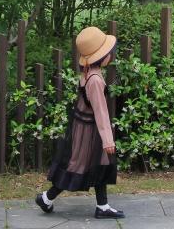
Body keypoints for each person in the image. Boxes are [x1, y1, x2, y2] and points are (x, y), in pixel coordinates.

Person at [35, 26, 125, 219]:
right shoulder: (94, 80)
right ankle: (47, 198)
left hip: (88, 128)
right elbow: (101, 112)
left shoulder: (89, 73)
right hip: (89, 132)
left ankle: (103, 206)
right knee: (77, 166)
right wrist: (108, 140)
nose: (110, 55)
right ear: (101, 56)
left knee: (100, 164)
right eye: (108, 53)